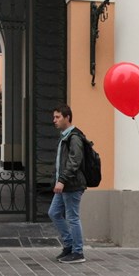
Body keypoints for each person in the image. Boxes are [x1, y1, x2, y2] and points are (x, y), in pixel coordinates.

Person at [49, 104, 87, 263]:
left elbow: (74, 161)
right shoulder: (65, 136)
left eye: (58, 117)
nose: (54, 120)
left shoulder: (75, 137)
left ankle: (78, 252)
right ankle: (69, 245)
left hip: (71, 185)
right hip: (64, 184)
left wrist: (62, 180)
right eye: (54, 117)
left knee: (72, 217)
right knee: (54, 213)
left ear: (67, 117)